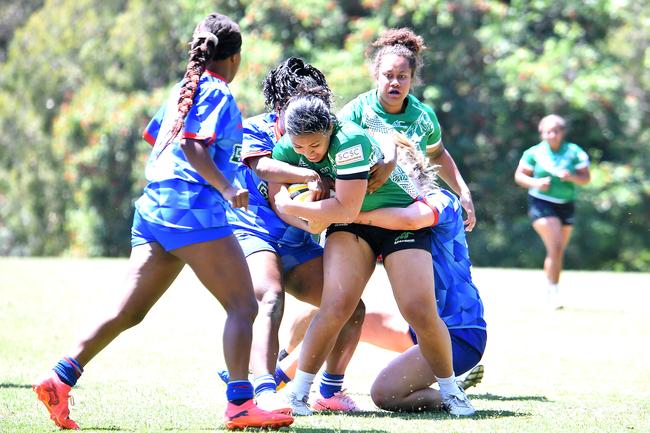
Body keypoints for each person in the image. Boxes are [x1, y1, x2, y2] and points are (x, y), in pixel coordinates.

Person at [32, 13, 293, 430]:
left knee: (128, 311)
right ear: (235, 57)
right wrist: (227, 189)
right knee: (244, 305)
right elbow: (192, 147)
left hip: (154, 209)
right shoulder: (218, 93)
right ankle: (241, 404)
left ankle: (59, 378)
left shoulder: (183, 90)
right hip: (191, 211)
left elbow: (157, 138)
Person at [271, 89, 475, 416]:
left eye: (315, 146)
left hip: (395, 218)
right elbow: (272, 171)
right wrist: (287, 199)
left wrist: (297, 210)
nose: (307, 154)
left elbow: (346, 208)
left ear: (329, 131)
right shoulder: (292, 143)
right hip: (350, 226)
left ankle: (452, 391)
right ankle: (298, 393)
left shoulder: (348, 142)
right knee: (336, 305)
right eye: (299, 147)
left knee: (419, 309)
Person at [223, 57, 365, 413]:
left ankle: (329, 392)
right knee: (270, 297)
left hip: (299, 242)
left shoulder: (327, 136)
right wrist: (308, 177)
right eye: (296, 101)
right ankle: (264, 388)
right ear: (279, 105)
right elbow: (263, 166)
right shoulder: (253, 128)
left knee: (351, 308)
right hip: (254, 233)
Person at [338, 27, 477, 231]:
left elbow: (437, 154)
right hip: (359, 214)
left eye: (402, 76)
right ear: (377, 76)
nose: (395, 82)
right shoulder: (356, 112)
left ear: (412, 79)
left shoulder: (424, 116)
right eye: (388, 75)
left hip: (406, 216)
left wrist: (463, 191)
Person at [514, 114, 590, 309]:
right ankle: (554, 295)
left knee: (556, 251)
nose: (551, 135)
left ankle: (551, 289)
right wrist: (536, 183)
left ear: (562, 132)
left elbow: (585, 178)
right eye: (547, 131)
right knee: (555, 246)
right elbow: (520, 176)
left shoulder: (574, 152)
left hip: (566, 204)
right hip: (541, 202)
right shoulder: (534, 153)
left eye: (555, 131)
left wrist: (571, 177)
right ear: (541, 133)